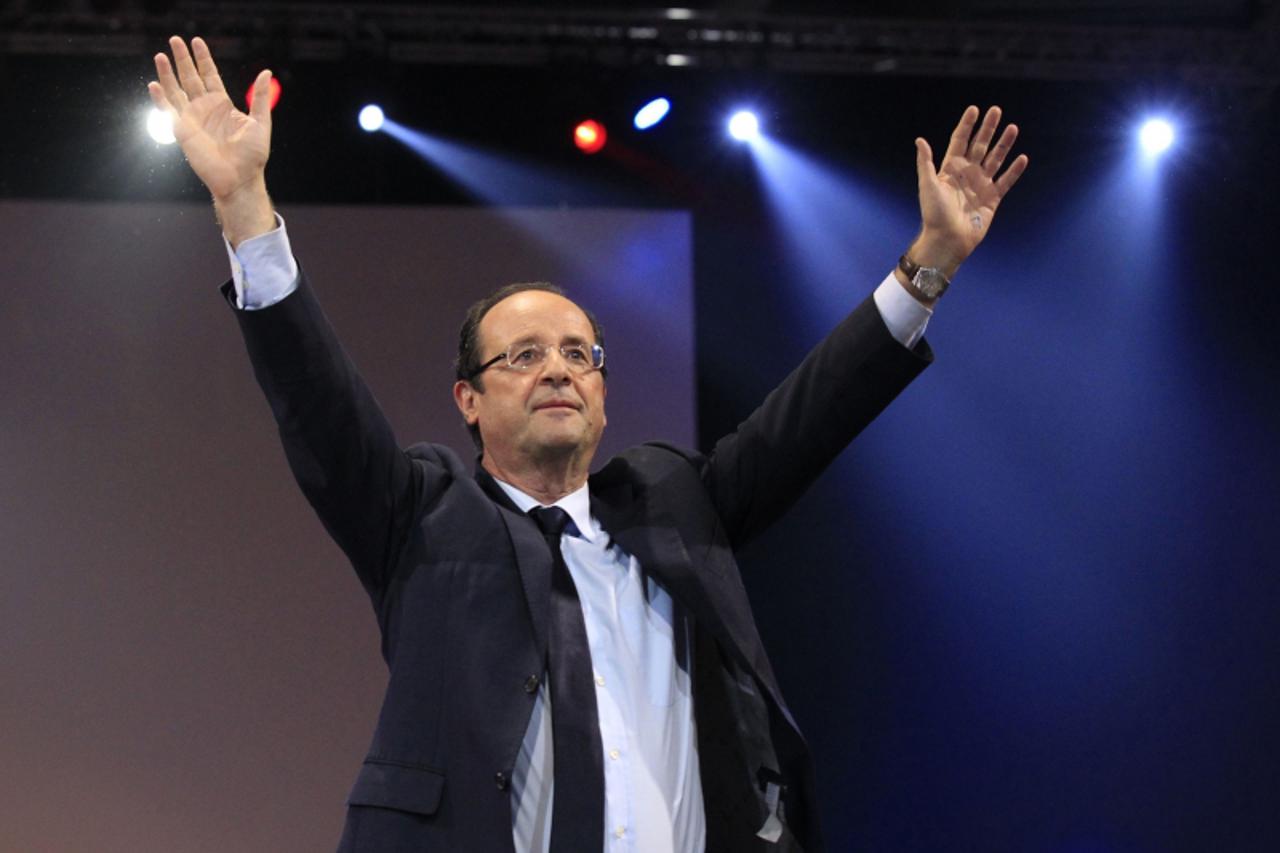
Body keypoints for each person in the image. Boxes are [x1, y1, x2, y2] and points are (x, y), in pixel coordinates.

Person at [149, 35, 1026, 853]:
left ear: (604, 392)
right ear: (469, 398)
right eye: (523, 356)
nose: (558, 371)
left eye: (579, 354)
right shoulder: (420, 513)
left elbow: (812, 412)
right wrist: (243, 205)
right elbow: (318, 403)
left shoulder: (674, 500)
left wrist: (929, 265)